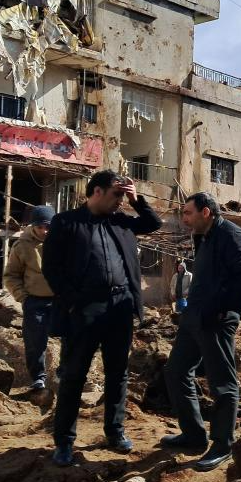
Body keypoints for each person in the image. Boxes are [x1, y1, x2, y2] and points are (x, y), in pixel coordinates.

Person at [42, 170, 162, 466]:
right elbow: (52, 268)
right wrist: (74, 302)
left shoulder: (120, 221)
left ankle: (115, 432)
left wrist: (136, 200)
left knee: (118, 373)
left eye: (123, 196)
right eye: (116, 194)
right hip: (85, 309)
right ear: (96, 191)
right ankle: (64, 442)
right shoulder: (66, 222)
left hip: (120, 307)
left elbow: (153, 223)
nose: (120, 200)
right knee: (74, 375)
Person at [163, 192, 241, 472]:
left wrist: (220, 309)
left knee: (222, 383)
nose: (184, 218)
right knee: (176, 371)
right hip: (194, 317)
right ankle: (194, 435)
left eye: (188, 213)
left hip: (216, 319)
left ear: (205, 212)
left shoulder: (231, 235)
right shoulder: (203, 237)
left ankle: (222, 445)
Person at [3, 204, 56, 391]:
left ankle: (65, 375)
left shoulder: (64, 242)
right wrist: (23, 297)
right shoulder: (22, 246)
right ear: (33, 226)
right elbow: (11, 276)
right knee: (35, 342)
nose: (44, 231)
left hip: (61, 300)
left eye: (48, 226)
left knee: (72, 337)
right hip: (35, 301)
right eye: (40, 227)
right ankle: (38, 378)